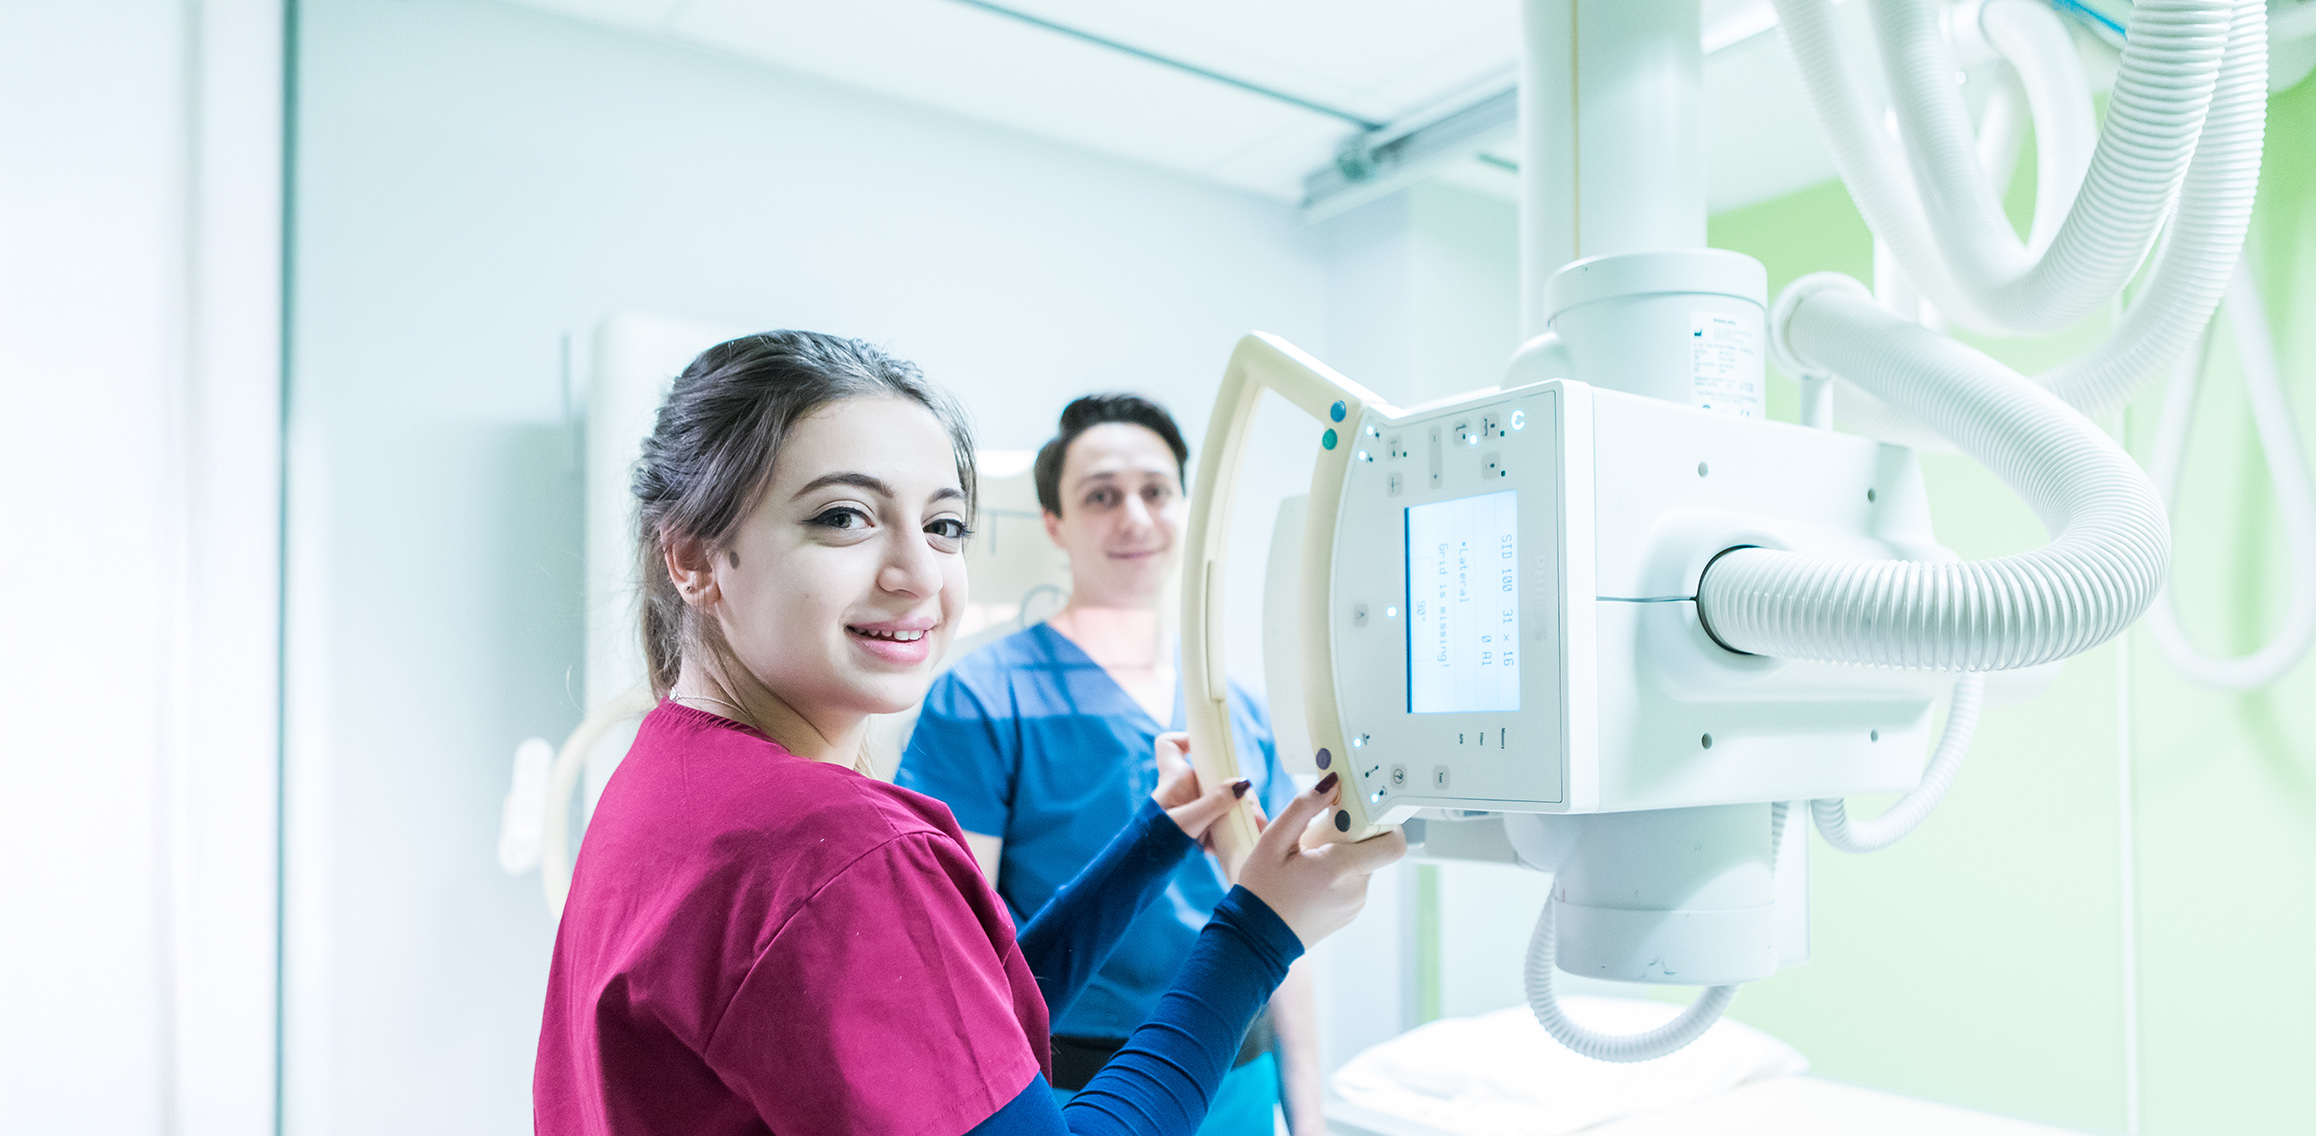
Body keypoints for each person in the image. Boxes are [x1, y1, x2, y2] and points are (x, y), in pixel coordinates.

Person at [533, 331, 1402, 1136]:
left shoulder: (668, 777)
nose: (918, 576)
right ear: (691, 557)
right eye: (843, 516)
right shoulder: (837, 843)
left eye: (944, 525)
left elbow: (952, 1012)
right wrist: (1260, 931)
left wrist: (1153, 840)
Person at [896, 394, 1322, 1135]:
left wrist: (1308, 1115)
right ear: (1055, 523)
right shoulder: (983, 696)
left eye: (1155, 491)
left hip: (1238, 1079)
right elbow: (957, 952)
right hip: (1073, 1094)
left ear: (1184, 507)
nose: (1134, 516)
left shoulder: (1237, 705)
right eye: (1101, 496)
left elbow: (1282, 918)